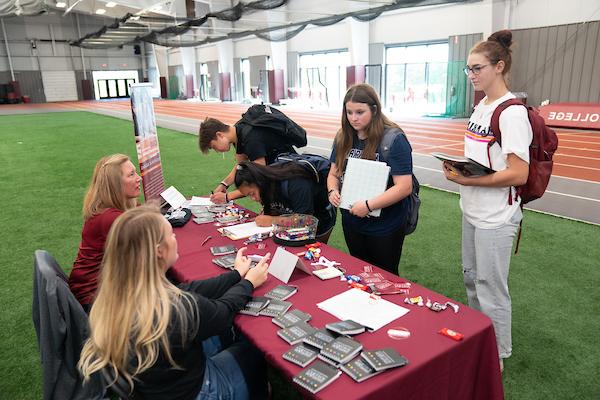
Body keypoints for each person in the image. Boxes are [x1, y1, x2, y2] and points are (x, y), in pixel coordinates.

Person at [78, 205, 271, 400]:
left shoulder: (112, 299)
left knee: (225, 335)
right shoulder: (176, 308)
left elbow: (191, 289)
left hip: (156, 385)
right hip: (199, 391)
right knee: (251, 348)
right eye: (171, 234)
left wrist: (236, 275)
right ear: (159, 251)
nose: (175, 238)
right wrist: (249, 283)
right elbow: (223, 312)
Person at [442, 30, 532, 371]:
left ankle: (496, 356)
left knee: (491, 287)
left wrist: (467, 178)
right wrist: (462, 171)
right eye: (468, 69)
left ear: (499, 66)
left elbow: (519, 173)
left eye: (477, 68)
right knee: (471, 278)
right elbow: (483, 158)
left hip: (497, 216)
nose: (471, 75)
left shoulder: (511, 113)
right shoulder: (481, 105)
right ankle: (481, 342)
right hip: (473, 208)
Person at [327, 84, 414, 274]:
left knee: (386, 278)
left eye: (360, 112)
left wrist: (368, 205)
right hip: (352, 222)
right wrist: (332, 190)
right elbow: (333, 173)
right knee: (361, 273)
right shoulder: (343, 136)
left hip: (385, 226)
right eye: (349, 112)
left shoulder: (393, 139)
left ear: (374, 110)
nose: (353, 118)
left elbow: (404, 186)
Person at [69, 154, 141, 311]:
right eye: (131, 175)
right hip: (94, 298)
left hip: (97, 288)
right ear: (115, 184)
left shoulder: (111, 207)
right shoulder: (111, 218)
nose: (139, 178)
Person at [198, 116, 297, 204]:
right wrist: (224, 184)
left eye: (214, 147)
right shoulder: (237, 131)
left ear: (219, 135)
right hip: (278, 172)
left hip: (290, 180)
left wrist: (227, 197)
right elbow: (241, 166)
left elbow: (258, 179)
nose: (217, 151)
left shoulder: (251, 139)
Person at [234, 160, 337, 243]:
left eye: (252, 194)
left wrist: (272, 220)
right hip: (291, 223)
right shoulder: (266, 185)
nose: (253, 199)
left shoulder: (296, 183)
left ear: (259, 182)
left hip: (320, 220)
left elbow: (306, 221)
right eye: (248, 196)